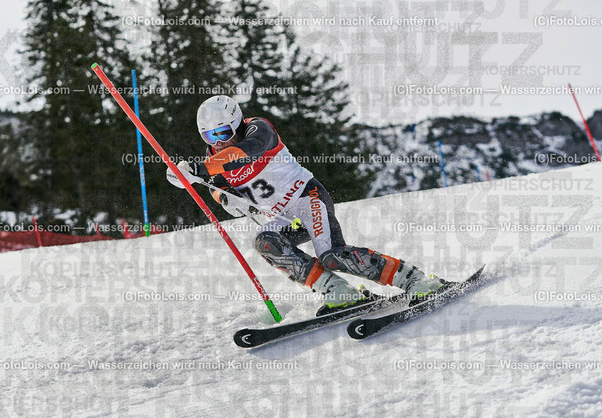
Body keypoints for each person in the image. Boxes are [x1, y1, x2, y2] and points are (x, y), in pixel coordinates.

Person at [167, 95, 444, 315]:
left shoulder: (257, 129)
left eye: (223, 132)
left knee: (332, 255)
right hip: (285, 218)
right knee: (265, 242)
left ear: (237, 123)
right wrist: (222, 196)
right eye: (210, 137)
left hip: (307, 198)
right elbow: (217, 186)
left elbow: (248, 151)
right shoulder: (213, 159)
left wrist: (201, 168)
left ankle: (414, 279)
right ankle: (338, 291)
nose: (218, 142)